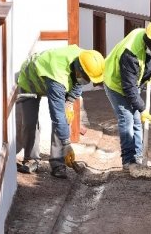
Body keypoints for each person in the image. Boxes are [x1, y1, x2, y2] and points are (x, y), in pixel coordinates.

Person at [16, 46, 105, 178]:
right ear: (78, 68)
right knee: (30, 122)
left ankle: (57, 163)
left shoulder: (85, 59)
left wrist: (69, 102)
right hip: (30, 83)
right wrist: (67, 144)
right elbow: (57, 116)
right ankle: (31, 159)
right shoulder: (58, 75)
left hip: (53, 78)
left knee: (65, 117)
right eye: (85, 76)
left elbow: (77, 84)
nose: (86, 80)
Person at [103, 19, 151, 172]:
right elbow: (129, 88)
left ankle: (138, 157)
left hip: (133, 83)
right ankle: (128, 161)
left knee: (137, 121)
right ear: (146, 38)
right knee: (127, 120)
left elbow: (150, 60)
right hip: (116, 83)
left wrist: (147, 76)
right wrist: (143, 108)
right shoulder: (130, 53)